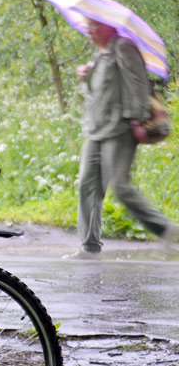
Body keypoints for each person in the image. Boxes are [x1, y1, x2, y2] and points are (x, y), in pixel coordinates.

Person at [68, 17, 178, 259]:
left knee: (120, 186)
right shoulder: (100, 55)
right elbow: (95, 94)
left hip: (120, 130)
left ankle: (167, 229)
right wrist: (85, 79)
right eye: (87, 26)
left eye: (94, 25)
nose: (89, 30)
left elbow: (138, 84)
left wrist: (137, 119)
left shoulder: (124, 47)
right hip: (95, 130)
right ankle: (89, 247)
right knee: (87, 184)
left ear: (109, 26)